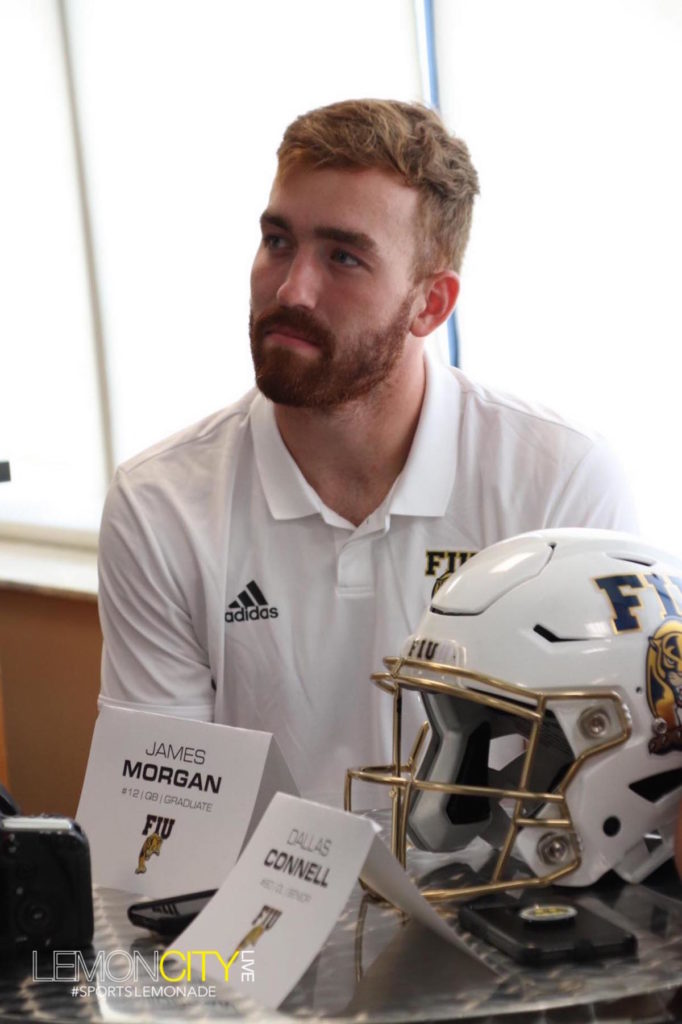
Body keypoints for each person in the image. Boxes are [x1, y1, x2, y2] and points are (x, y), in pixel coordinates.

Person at [97, 99, 638, 807]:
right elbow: (160, 830)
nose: (290, 289)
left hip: (499, 914)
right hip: (248, 917)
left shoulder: (559, 483)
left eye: (344, 257)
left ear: (431, 305)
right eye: (278, 241)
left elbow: (610, 800)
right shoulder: (160, 504)